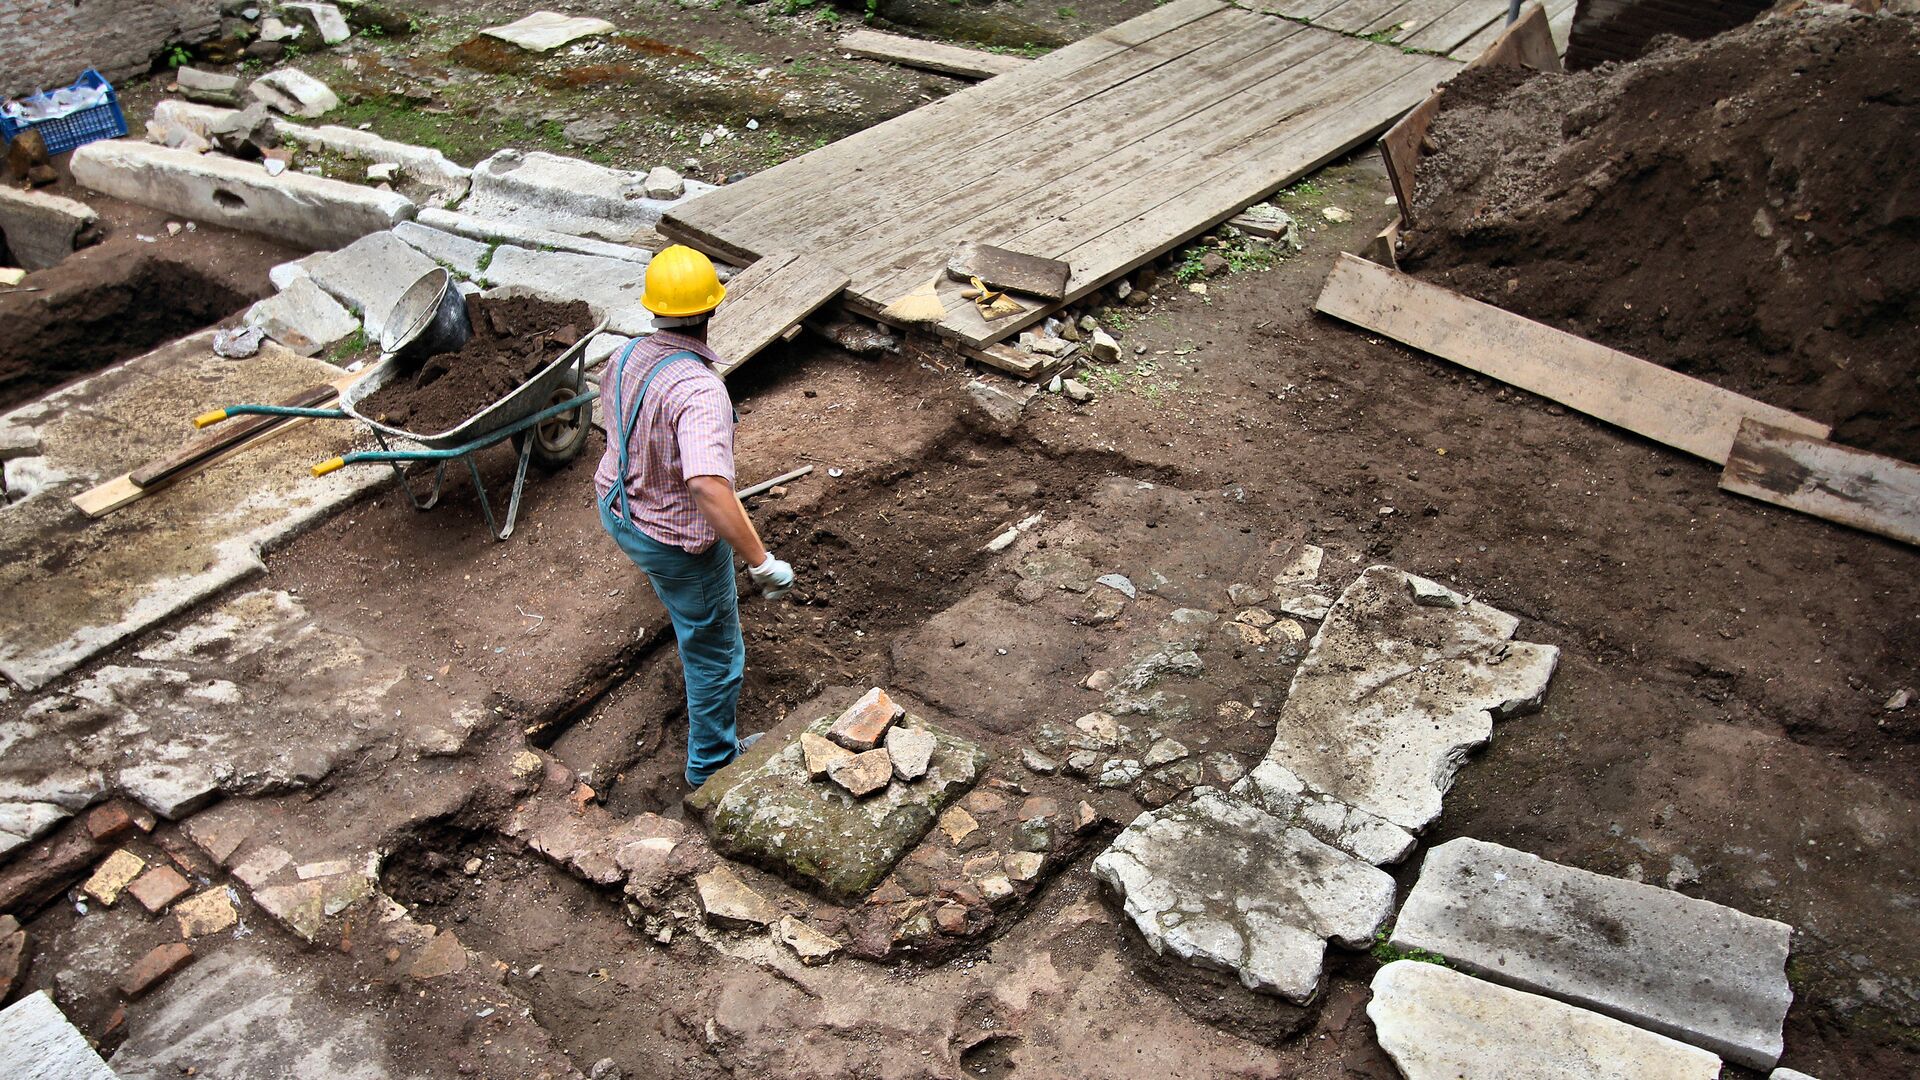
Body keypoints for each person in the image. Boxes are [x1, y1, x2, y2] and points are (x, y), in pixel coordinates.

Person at [594, 245, 795, 787]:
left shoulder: (628, 354)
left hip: (618, 507)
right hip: (671, 539)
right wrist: (760, 560)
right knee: (715, 652)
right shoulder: (701, 390)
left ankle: (673, 593)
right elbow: (707, 485)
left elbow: (613, 421)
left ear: (652, 308)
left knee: (682, 600)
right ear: (712, 309)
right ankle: (712, 766)